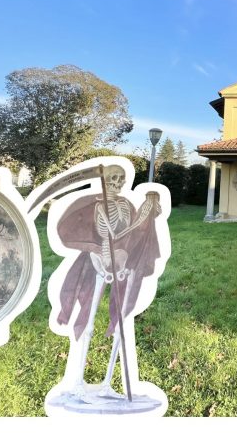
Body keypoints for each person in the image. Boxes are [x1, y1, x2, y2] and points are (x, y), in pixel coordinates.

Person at [55, 166, 163, 396]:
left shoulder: (126, 204)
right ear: (104, 181)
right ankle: (78, 383)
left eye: (121, 179)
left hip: (123, 260)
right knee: (90, 318)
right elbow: (99, 232)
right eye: (114, 178)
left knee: (121, 318)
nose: (119, 183)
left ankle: (107, 384)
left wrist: (148, 215)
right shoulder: (96, 205)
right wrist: (100, 248)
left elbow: (133, 234)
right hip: (100, 259)